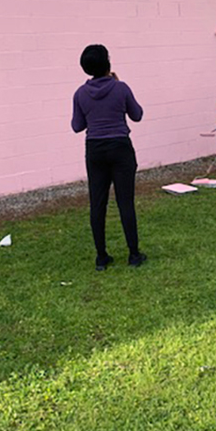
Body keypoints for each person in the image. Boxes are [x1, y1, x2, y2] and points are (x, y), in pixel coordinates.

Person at [71, 45, 146, 270]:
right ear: (108, 64)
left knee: (97, 203)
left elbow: (77, 126)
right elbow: (137, 115)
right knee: (125, 202)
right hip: (120, 147)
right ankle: (133, 254)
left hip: (95, 149)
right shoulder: (121, 88)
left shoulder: (80, 94)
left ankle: (101, 257)